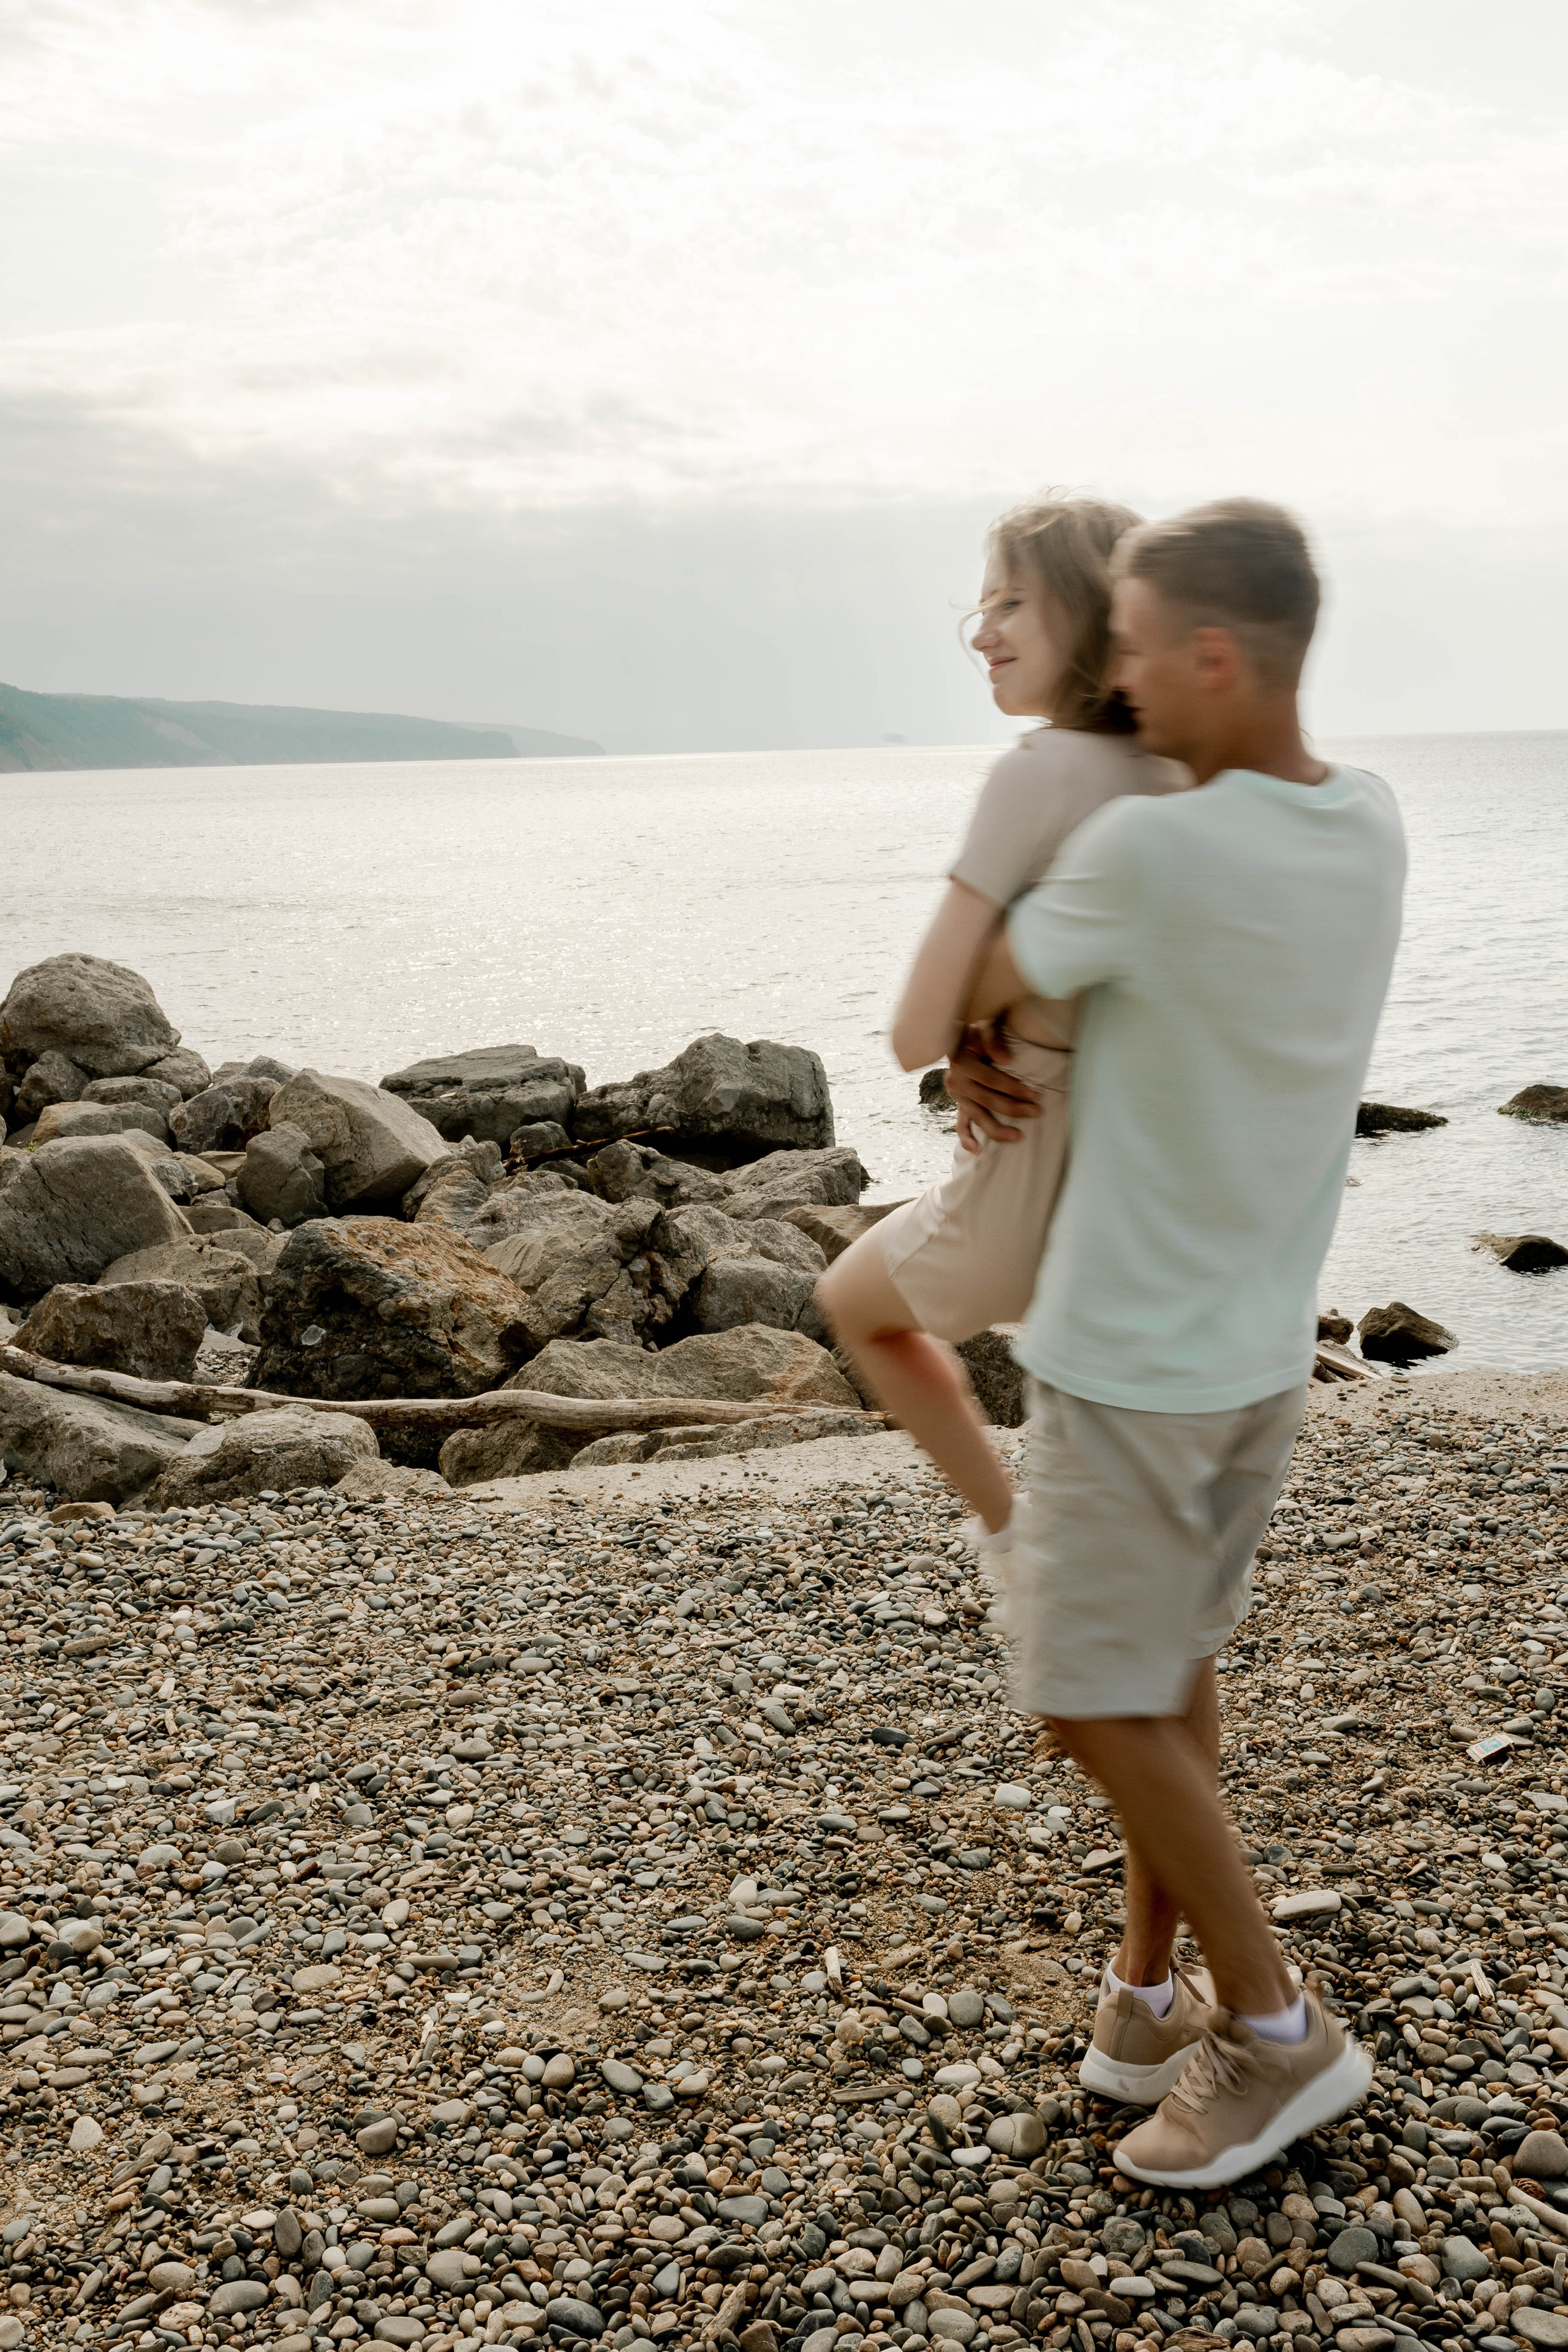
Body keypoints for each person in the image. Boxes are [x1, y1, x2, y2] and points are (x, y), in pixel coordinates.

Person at [961, 498, 1404, 2187]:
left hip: (1134, 1360)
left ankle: (1280, 2030)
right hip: (1261, 1360)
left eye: (1140, 653)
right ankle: (1144, 1997)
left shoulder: (1146, 852)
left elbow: (969, 988)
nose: (1123, 684)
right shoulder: (1367, 822)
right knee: (1166, 1671)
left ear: (1213, 657)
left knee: (1089, 1693)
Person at [816, 497, 1186, 1577]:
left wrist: (956, 1034)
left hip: (1038, 1155)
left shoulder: (1038, 771)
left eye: (1012, 601)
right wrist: (999, 1017)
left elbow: (905, 1035)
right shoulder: (1179, 771)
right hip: (1150, 1171)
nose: (981, 631)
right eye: (980, 606)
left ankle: (1003, 1527)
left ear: (1097, 615)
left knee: (855, 1301)